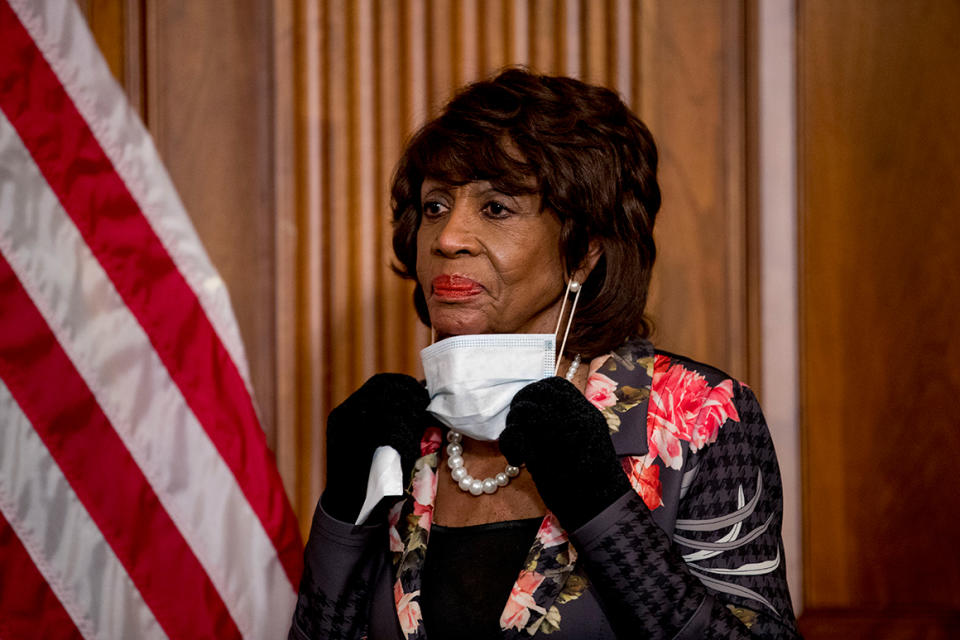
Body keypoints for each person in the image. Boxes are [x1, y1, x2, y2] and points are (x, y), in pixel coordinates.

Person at [289, 68, 800, 639]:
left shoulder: (698, 417)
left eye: (496, 208)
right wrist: (341, 518)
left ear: (582, 251)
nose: (447, 237)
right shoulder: (411, 439)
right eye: (435, 206)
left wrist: (601, 508)